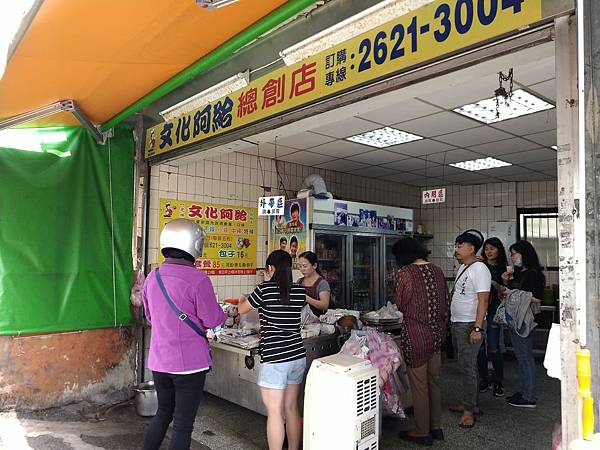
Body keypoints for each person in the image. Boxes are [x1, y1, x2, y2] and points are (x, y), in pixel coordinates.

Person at [142, 219, 226, 450]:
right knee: (182, 424)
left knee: (162, 414)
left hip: (159, 362)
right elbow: (211, 319)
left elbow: (150, 317)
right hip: (190, 365)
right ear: (195, 244)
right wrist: (225, 314)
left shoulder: (153, 276)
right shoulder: (198, 279)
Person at [238, 250, 306, 450]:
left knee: (275, 412)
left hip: (275, 357)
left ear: (270, 269)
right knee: (292, 408)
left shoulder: (264, 289)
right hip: (297, 355)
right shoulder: (299, 291)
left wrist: (243, 298)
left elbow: (242, 309)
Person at [393, 237, 448, 446]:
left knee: (419, 385)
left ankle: (421, 431)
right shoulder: (437, 270)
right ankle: (436, 427)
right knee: (434, 381)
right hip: (436, 334)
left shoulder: (405, 273)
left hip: (416, 335)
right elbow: (446, 300)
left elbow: (400, 302)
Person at [449, 232, 491, 428]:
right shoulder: (464, 267)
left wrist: (477, 327)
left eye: (460, 245)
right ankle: (469, 402)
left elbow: (484, 300)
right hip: (458, 322)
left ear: (472, 248)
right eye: (456, 245)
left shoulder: (480, 269)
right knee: (466, 365)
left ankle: (468, 412)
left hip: (469, 324)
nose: (456, 249)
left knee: (467, 367)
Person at [501, 240, 545, 408]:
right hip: (515, 319)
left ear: (524, 254)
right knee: (521, 357)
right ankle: (525, 391)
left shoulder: (533, 274)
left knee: (525, 358)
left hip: (524, 320)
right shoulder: (520, 272)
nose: (512, 257)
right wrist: (506, 284)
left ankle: (529, 397)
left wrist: (513, 292)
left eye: (514, 253)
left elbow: (536, 299)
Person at [477, 238, 508, 397]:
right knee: (480, 346)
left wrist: (498, 283)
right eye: (487, 248)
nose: (489, 251)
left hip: (495, 309)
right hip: (480, 309)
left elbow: (505, 292)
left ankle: (498, 381)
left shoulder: (505, 268)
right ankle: (484, 378)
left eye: (493, 248)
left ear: (499, 250)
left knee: (494, 347)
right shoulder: (480, 265)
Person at [297, 251, 331, 316]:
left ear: (314, 266)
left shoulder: (322, 283)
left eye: (305, 266)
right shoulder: (299, 282)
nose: (302, 269)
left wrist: (307, 298)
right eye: (300, 266)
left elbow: (324, 306)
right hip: (302, 321)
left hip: (317, 323)